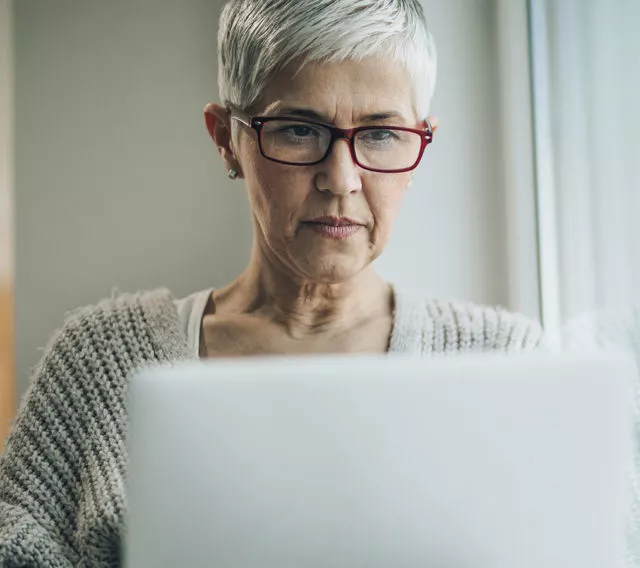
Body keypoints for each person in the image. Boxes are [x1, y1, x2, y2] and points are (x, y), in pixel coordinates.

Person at [0, 1, 540, 565]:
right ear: (226, 139)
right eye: (299, 130)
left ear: (420, 144)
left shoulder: (509, 363)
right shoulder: (100, 365)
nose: (341, 180)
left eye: (380, 134)